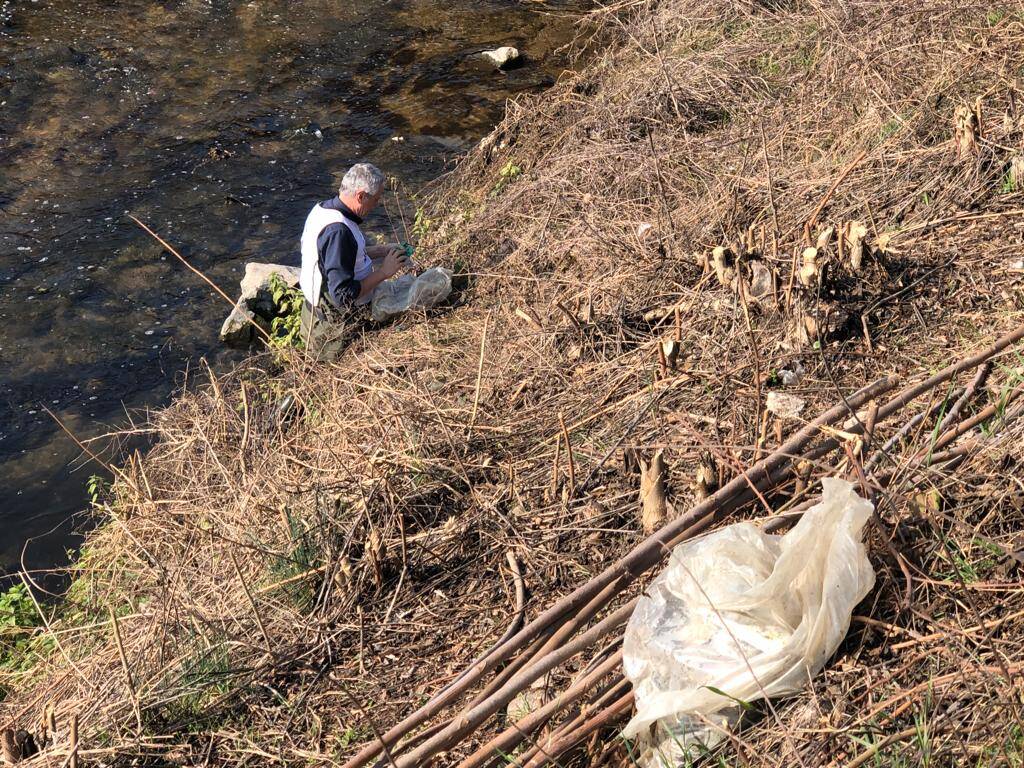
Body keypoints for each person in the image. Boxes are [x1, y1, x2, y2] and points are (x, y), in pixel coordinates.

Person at [298, 162, 408, 358]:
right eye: (375, 200)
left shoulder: (324, 209)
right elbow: (343, 295)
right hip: (332, 332)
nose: (376, 205)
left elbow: (343, 255)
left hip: (315, 315)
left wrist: (382, 250)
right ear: (360, 196)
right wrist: (384, 272)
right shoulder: (338, 231)